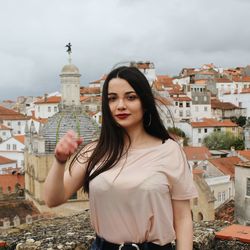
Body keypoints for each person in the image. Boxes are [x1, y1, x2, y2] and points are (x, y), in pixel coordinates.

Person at [44, 66, 198, 250]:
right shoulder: (96, 151)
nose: (120, 105)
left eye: (130, 97)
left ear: (145, 102)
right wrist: (60, 161)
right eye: (112, 98)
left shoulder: (170, 151)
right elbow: (53, 199)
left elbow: (182, 219)